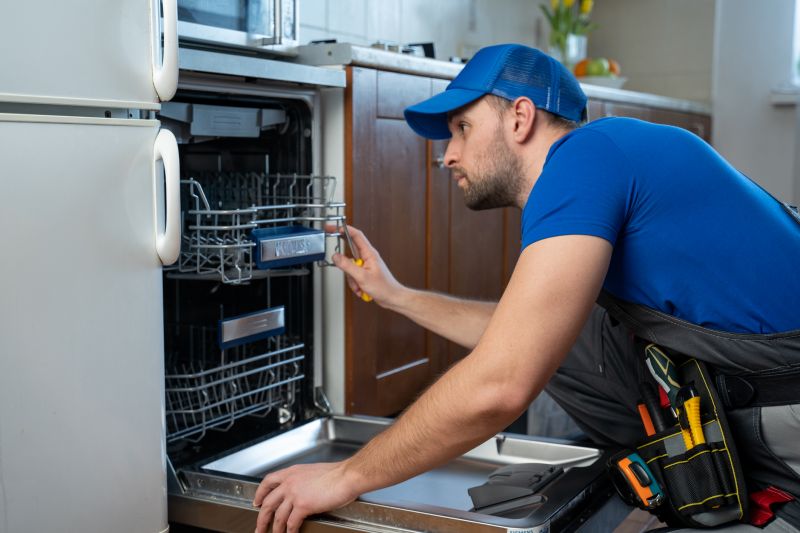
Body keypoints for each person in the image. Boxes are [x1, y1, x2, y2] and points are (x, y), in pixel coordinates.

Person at [253, 44, 800, 533]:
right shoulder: (611, 155)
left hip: (787, 415)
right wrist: (393, 293)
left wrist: (347, 476)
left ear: (520, 117)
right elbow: (520, 337)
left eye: (462, 128)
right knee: (572, 336)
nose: (447, 155)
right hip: (756, 383)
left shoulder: (585, 158)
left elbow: (502, 384)